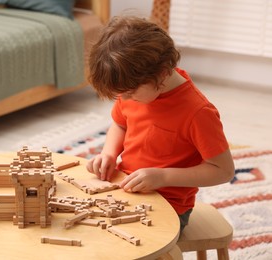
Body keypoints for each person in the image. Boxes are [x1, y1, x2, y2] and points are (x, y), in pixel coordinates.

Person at [86, 15, 235, 232]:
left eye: (129, 93)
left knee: (124, 240)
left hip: (170, 207)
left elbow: (223, 170)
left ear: (162, 73)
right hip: (126, 189)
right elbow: (120, 124)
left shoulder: (198, 113)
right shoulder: (133, 88)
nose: (124, 100)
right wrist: (108, 154)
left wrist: (163, 177)